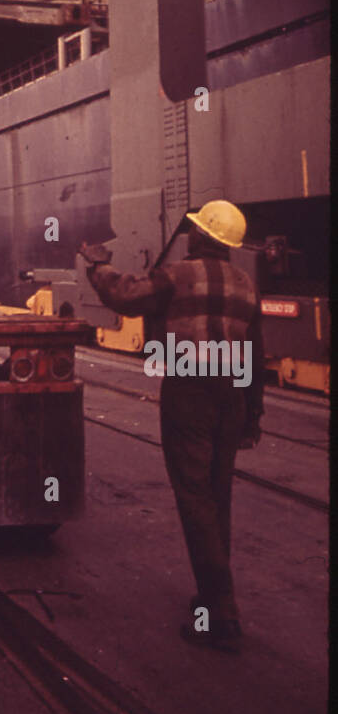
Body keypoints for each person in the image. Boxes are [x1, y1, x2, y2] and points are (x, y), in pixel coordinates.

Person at [79, 199, 267, 654]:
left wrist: (98, 267)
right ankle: (212, 593)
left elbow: (125, 295)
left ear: (204, 238)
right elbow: (256, 354)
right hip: (232, 395)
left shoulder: (178, 275)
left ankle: (220, 612)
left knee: (193, 496)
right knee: (216, 495)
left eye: (196, 230)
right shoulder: (246, 285)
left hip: (191, 391)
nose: (190, 235)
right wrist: (253, 416)